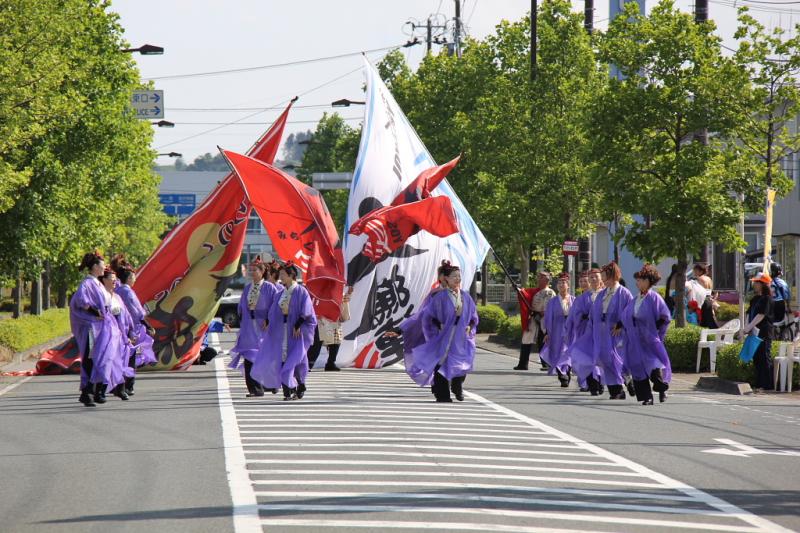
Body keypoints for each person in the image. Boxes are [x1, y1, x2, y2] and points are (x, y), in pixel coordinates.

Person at [405, 261, 479, 402]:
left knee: (461, 364)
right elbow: (428, 317)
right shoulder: (439, 297)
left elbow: (474, 316)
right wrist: (436, 329)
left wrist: (470, 325)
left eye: (459, 276)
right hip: (443, 336)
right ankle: (442, 394)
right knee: (441, 364)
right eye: (454, 276)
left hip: (460, 338)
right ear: (446, 278)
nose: (457, 279)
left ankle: (457, 386)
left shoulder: (466, 297)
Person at [251, 261, 316, 401]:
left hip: (297, 333)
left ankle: (301, 384)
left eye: (283, 274)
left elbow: (307, 311)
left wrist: (298, 325)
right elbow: (273, 310)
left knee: (296, 360)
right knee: (282, 358)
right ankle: (288, 391)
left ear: (291, 275)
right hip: (283, 331)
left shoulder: (301, 291)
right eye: (280, 274)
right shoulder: (280, 292)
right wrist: (269, 322)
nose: (280, 276)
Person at [229, 256, 281, 397]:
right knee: (248, 356)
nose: (252, 273)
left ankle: (269, 384)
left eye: (255, 270)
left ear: (262, 272)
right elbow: (241, 307)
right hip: (249, 326)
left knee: (263, 357)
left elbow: (276, 306)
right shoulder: (247, 288)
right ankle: (254, 389)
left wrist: (269, 320)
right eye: (251, 270)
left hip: (263, 327)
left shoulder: (270, 288)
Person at [621, 264, 672, 405]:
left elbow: (664, 316)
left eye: (640, 280)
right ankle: (646, 397)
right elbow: (626, 314)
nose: (637, 283)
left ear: (648, 281)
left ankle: (662, 389)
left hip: (648, 338)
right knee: (637, 366)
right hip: (635, 338)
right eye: (637, 280)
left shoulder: (654, 297)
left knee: (653, 364)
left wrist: (656, 327)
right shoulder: (636, 299)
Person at [111, 254, 156, 396]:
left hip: (117, 327)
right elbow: (136, 312)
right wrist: (147, 325)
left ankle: (117, 384)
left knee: (120, 357)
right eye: (134, 276)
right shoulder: (126, 291)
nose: (135, 279)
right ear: (129, 278)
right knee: (132, 357)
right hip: (131, 329)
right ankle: (128, 385)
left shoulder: (117, 289)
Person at [70, 251, 109, 407]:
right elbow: (81, 300)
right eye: (102, 265)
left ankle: (94, 391)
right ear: (94, 267)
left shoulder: (97, 282)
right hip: (91, 328)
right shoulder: (87, 283)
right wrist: (94, 311)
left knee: (97, 358)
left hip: (99, 326)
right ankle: (86, 392)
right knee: (90, 358)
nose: (104, 267)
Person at [594, 262, 633, 400]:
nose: (603, 280)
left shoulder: (624, 293)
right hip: (603, 331)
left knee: (616, 358)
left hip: (617, 332)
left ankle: (626, 379)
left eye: (605, 277)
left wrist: (620, 325)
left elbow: (629, 312)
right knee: (606, 359)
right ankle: (616, 389)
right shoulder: (602, 293)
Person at [99, 268, 136, 401]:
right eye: (111, 279)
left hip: (121, 336)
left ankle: (120, 389)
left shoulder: (118, 297)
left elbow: (127, 316)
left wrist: (130, 332)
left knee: (120, 363)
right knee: (107, 363)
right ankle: (100, 391)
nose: (115, 281)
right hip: (107, 336)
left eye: (115, 279)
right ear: (103, 280)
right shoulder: (101, 296)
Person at [568, 268, 605, 395]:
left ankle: (601, 382)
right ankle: (592, 384)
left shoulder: (607, 295)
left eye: (596, 277)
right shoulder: (582, 298)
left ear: (601, 279)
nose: (593, 280)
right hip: (586, 332)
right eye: (591, 278)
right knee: (587, 358)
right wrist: (583, 317)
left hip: (602, 333)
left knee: (601, 358)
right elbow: (575, 314)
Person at [514, 272, 555, 371]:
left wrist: (544, 314)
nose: (539, 279)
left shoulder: (550, 292)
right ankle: (523, 364)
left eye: (542, 278)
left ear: (547, 280)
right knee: (526, 339)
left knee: (543, 340)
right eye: (539, 277)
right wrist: (518, 289)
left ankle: (546, 364)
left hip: (544, 318)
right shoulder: (534, 291)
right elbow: (525, 294)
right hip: (533, 317)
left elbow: (551, 306)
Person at [307, 286, 353, 371]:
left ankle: (331, 363)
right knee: (317, 343)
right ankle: (309, 363)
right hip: (321, 320)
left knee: (336, 342)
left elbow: (343, 307)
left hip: (334, 320)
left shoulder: (339, 293)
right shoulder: (316, 293)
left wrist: (347, 297)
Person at [540, 273, 574, 387]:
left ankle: (566, 372)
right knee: (558, 353)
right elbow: (548, 318)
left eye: (563, 283)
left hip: (570, 330)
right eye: (559, 283)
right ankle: (562, 375)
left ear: (568, 285)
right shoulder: (553, 302)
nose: (561, 285)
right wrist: (547, 332)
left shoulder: (574, 300)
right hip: (556, 330)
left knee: (568, 352)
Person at [745, 272, 774, 391]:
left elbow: (761, 315)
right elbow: (749, 313)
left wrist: (749, 327)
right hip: (754, 331)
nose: (754, 284)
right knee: (756, 357)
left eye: (756, 282)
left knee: (764, 357)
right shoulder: (755, 299)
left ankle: (767, 385)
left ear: (763, 284)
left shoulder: (767, 299)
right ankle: (758, 383)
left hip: (764, 332)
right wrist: (747, 327)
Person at [687, 263, 717, 328]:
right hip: (709, 300)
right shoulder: (709, 279)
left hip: (703, 301)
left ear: (701, 271)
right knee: (710, 319)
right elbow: (715, 292)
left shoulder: (699, 279)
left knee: (704, 322)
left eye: (695, 270)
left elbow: (699, 292)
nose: (694, 272)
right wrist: (713, 300)